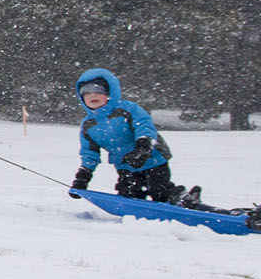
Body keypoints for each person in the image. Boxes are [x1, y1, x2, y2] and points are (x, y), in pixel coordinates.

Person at [68, 68, 197, 205]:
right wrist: (83, 177)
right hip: (125, 164)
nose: (92, 95)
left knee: (159, 190)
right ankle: (135, 207)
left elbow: (144, 126)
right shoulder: (89, 125)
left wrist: (143, 148)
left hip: (153, 158)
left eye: (98, 90)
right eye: (86, 92)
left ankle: (181, 199)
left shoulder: (127, 109)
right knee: (129, 193)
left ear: (110, 92)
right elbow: (89, 152)